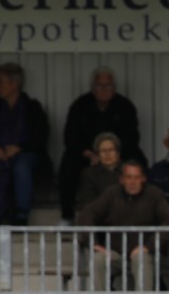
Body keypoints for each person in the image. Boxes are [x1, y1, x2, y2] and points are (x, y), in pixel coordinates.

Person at [58, 67, 145, 223]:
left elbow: (132, 137)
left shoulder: (125, 106)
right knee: (68, 165)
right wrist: (91, 154)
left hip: (118, 153)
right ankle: (67, 216)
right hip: (88, 155)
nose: (104, 89)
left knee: (139, 161)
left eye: (108, 85)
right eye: (100, 85)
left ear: (114, 88)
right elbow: (70, 137)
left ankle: (140, 212)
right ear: (93, 88)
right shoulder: (80, 105)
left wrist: (113, 154)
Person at [75, 161, 169, 291]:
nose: (132, 182)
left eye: (136, 177)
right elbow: (87, 214)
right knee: (98, 259)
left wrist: (148, 246)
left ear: (143, 179)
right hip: (117, 254)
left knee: (140, 259)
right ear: (121, 179)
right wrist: (93, 243)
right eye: (128, 177)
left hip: (146, 254)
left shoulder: (154, 194)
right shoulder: (112, 193)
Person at [0, 63, 51, 226]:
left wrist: (19, 147)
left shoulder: (32, 107)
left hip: (25, 152)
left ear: (15, 84)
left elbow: (41, 135)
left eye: (1, 81)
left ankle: (21, 214)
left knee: (22, 167)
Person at [75, 133, 123, 214]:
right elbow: (88, 202)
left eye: (111, 150)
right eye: (103, 151)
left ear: (118, 153)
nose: (107, 154)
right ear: (98, 155)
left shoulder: (129, 170)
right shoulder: (89, 174)